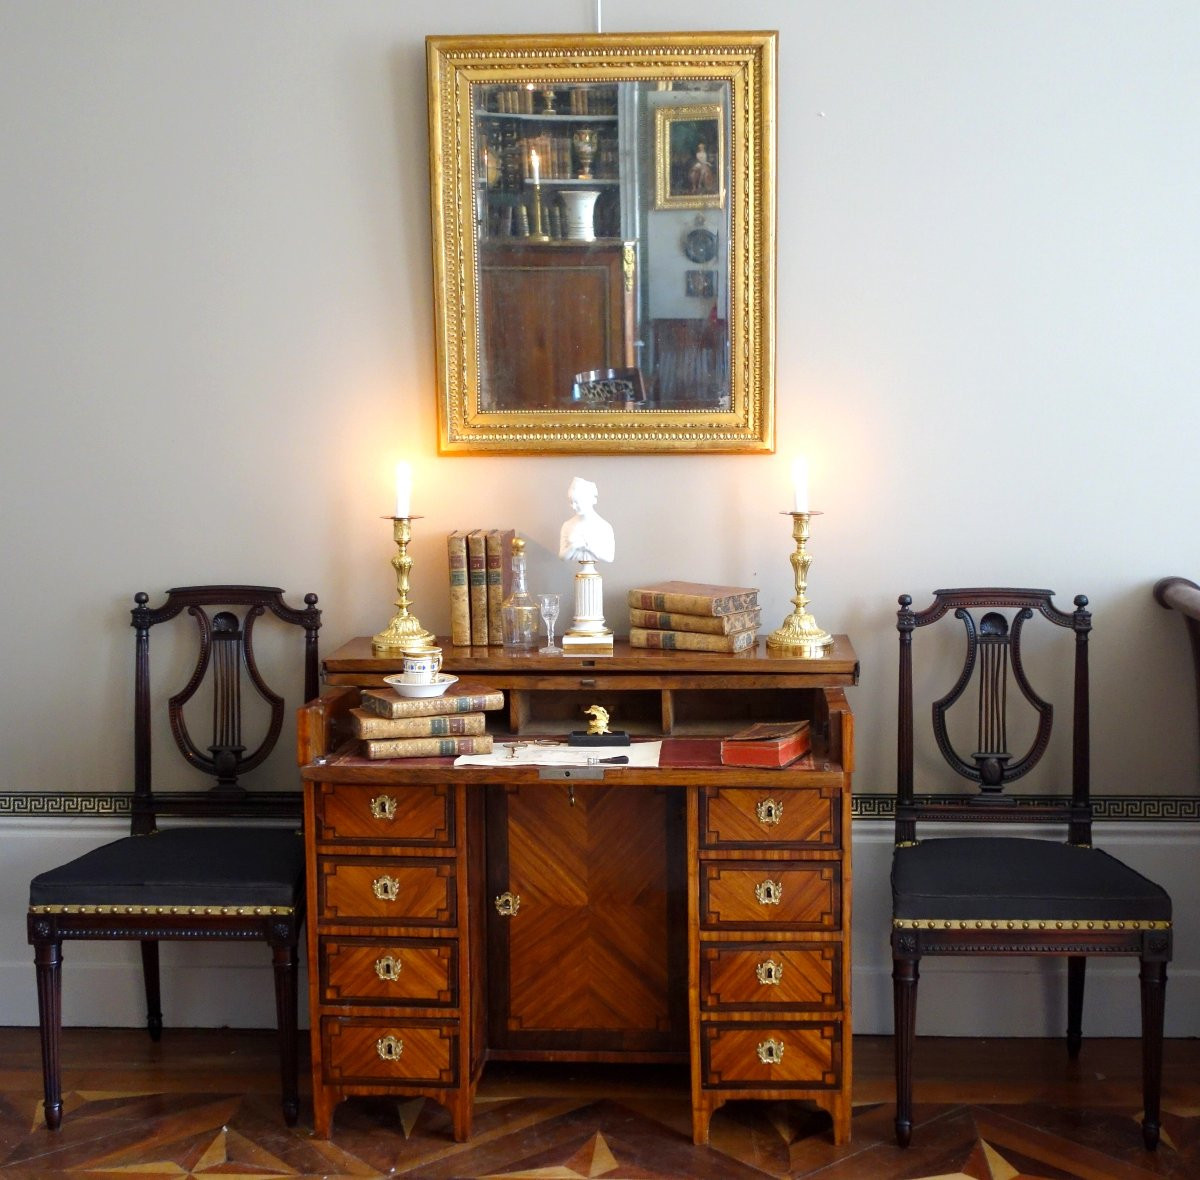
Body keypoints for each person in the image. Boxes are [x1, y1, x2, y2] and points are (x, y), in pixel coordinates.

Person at [558, 476, 615, 564]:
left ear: (589, 499)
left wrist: (588, 546)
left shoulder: (604, 527)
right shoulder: (567, 525)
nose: (573, 506)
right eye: (571, 502)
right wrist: (573, 547)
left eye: (577, 502)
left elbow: (609, 557)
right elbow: (562, 556)